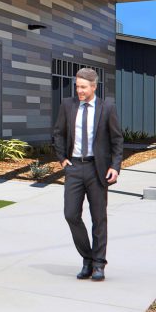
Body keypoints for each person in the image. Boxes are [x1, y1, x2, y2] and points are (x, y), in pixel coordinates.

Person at [53, 68, 123, 282]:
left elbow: (117, 140)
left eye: (83, 87)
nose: (79, 91)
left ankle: (98, 264)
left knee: (99, 218)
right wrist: (62, 158)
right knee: (71, 214)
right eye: (77, 86)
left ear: (94, 86)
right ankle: (88, 257)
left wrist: (115, 166)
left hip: (97, 169)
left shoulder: (107, 107)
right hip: (74, 168)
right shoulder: (67, 105)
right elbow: (58, 133)